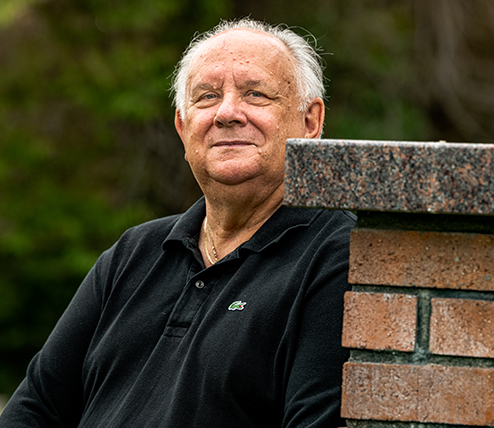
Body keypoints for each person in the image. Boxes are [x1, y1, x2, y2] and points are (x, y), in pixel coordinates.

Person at [0, 18, 354, 428]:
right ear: (183, 128)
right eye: (206, 97)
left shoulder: (337, 257)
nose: (226, 113)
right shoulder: (133, 253)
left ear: (310, 122)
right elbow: (35, 407)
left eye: (255, 94)